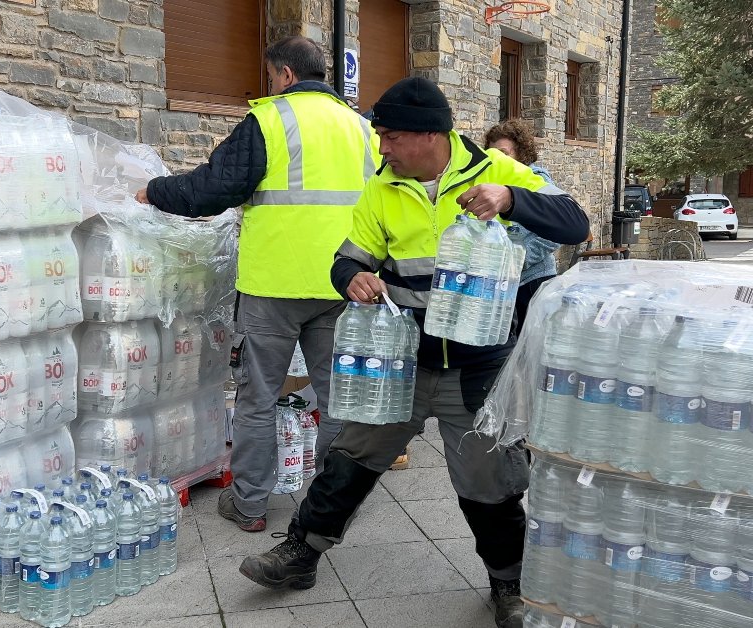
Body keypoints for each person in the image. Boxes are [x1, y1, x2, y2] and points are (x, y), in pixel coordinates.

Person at [237, 77, 590, 628]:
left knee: (488, 478)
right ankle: (301, 553)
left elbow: (576, 223)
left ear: (431, 135)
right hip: (403, 361)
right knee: (351, 457)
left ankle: (508, 585)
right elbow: (347, 258)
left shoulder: (494, 170)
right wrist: (351, 277)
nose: (382, 149)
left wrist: (513, 199)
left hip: (477, 365)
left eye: (391, 137)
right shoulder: (381, 188)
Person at [135, 36, 377, 533]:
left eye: (271, 78)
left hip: (275, 286)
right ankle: (328, 507)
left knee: (258, 398)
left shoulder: (271, 120)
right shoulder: (363, 129)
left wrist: (152, 193)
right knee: (337, 403)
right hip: (344, 284)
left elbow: (211, 189)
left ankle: (249, 505)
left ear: (285, 75)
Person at [484, 119, 562, 327]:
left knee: (531, 348)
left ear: (521, 153)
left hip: (534, 280)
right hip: (502, 283)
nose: (497, 160)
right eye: (492, 154)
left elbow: (554, 234)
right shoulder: (491, 185)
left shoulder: (537, 180)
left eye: (504, 153)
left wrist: (518, 259)